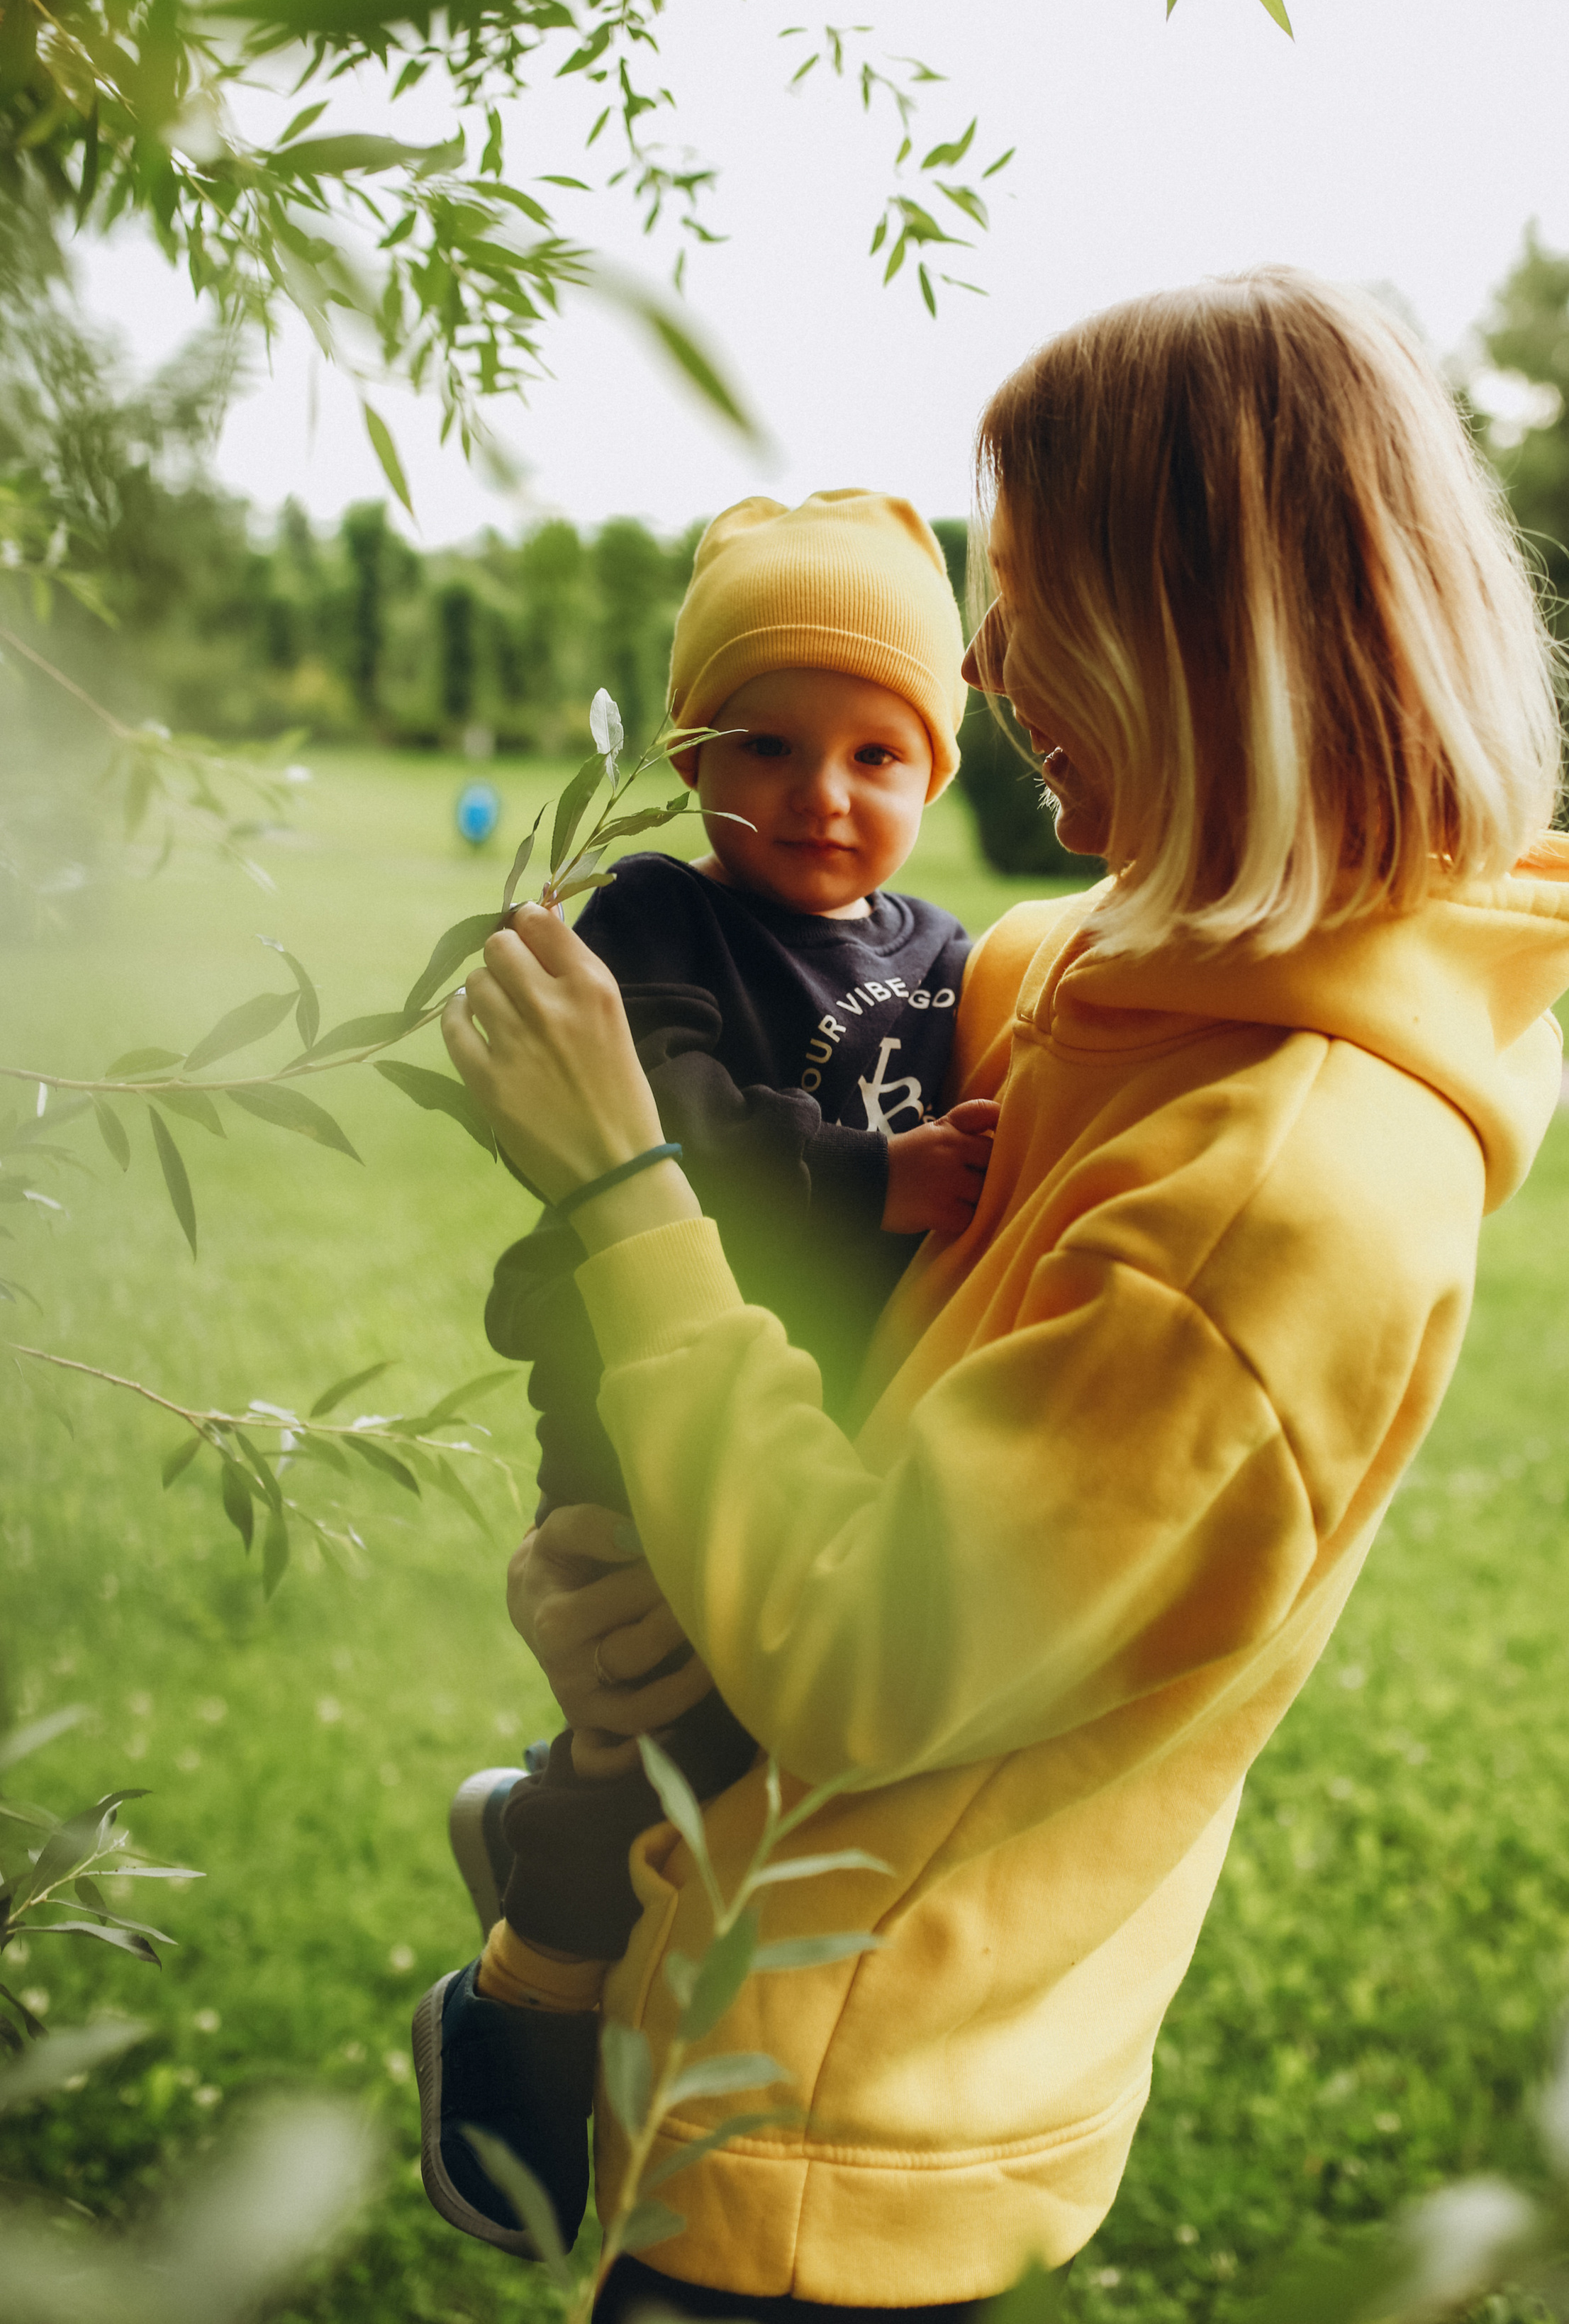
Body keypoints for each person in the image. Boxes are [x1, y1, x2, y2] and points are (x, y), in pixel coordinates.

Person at [442, 270, 1569, 2320]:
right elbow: (816, 1355)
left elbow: (853, 1654)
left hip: (842, 2111)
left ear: (1208, 638)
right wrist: (611, 1576)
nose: (985, 666)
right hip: (720, 1948)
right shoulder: (1081, 979)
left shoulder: (1297, 1196)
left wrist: (627, 1178)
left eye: (1037, 597)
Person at [415, 488, 998, 2261]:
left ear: (936, 772)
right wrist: (872, 1179)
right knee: (661, 1688)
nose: (823, 795)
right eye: (769, 744)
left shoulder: (943, 958)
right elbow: (648, 1126)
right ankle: (529, 1982)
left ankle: (545, 1835)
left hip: (802, 1415)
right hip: (638, 1383)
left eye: (876, 751)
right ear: (685, 755)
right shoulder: (660, 918)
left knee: (756, 1740)